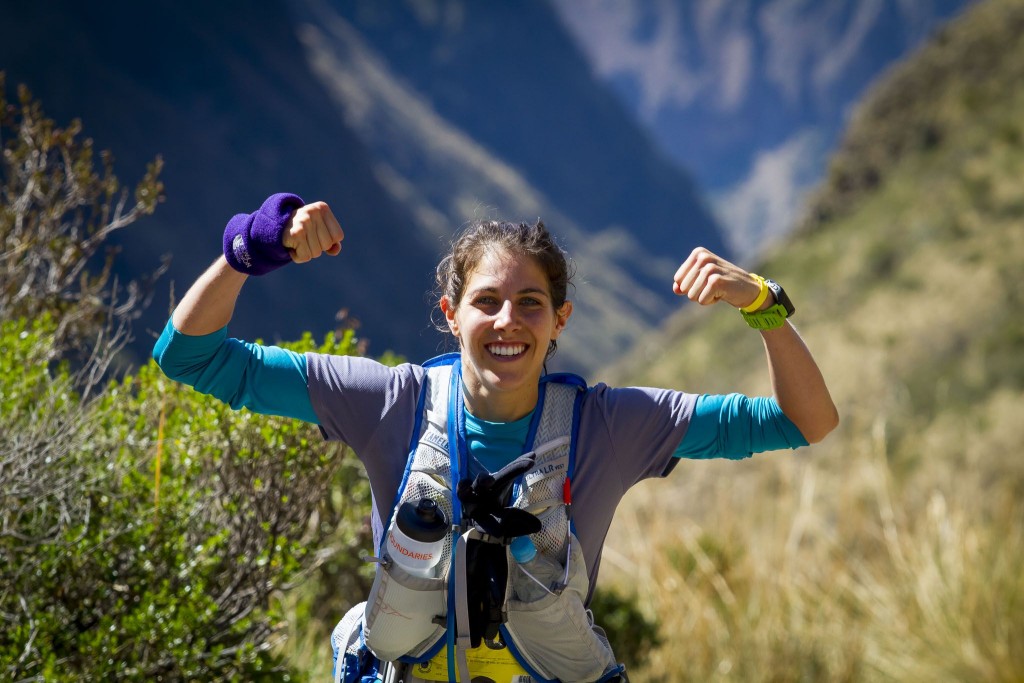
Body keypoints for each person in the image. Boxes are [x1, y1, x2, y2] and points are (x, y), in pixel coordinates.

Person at [154, 194, 838, 682]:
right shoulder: (392, 403)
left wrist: (763, 304)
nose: (507, 320)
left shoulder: (610, 425)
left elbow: (805, 420)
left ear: (559, 319)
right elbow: (189, 355)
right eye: (486, 301)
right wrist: (246, 250)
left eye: (530, 303)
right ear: (452, 315)